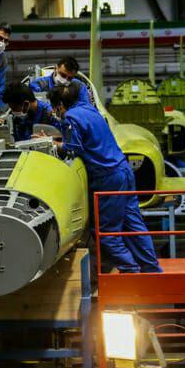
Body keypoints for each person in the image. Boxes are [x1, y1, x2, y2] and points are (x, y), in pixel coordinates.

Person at [48, 82, 162, 274]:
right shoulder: (88, 109)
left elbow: (73, 148)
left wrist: (54, 143)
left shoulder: (71, 117)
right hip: (123, 170)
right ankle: (151, 269)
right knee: (134, 225)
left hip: (107, 177)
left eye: (54, 108)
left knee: (107, 234)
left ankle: (130, 271)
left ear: (59, 105)